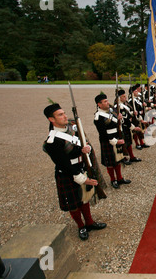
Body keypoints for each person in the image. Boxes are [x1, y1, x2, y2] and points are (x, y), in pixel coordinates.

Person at [43, 103, 106, 241]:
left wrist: (84, 150)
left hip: (81, 167)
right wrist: (83, 179)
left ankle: (89, 222)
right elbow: (63, 164)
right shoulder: (52, 141)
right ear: (51, 119)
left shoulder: (72, 129)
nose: (65, 116)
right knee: (74, 204)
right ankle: (80, 226)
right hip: (68, 173)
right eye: (60, 115)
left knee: (84, 198)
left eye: (64, 113)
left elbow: (78, 147)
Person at [94, 93, 131, 189]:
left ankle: (120, 178)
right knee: (110, 163)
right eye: (105, 101)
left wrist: (120, 119)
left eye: (107, 100)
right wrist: (115, 141)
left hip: (117, 137)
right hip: (108, 141)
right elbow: (103, 133)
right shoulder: (98, 116)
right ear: (99, 104)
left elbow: (118, 124)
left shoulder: (111, 111)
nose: (107, 102)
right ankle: (113, 180)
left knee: (118, 160)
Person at [115, 89, 142, 164]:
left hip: (127, 126)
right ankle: (124, 158)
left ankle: (131, 156)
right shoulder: (119, 107)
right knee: (125, 143)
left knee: (129, 142)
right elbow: (125, 118)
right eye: (123, 96)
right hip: (123, 127)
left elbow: (128, 114)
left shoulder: (125, 104)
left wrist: (133, 113)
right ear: (119, 98)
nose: (125, 97)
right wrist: (133, 127)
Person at [128, 84, 150, 150]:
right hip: (135, 117)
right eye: (135, 91)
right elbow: (132, 110)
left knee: (140, 131)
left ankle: (142, 143)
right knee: (135, 131)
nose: (137, 92)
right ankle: (137, 144)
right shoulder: (131, 101)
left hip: (140, 116)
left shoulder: (138, 99)